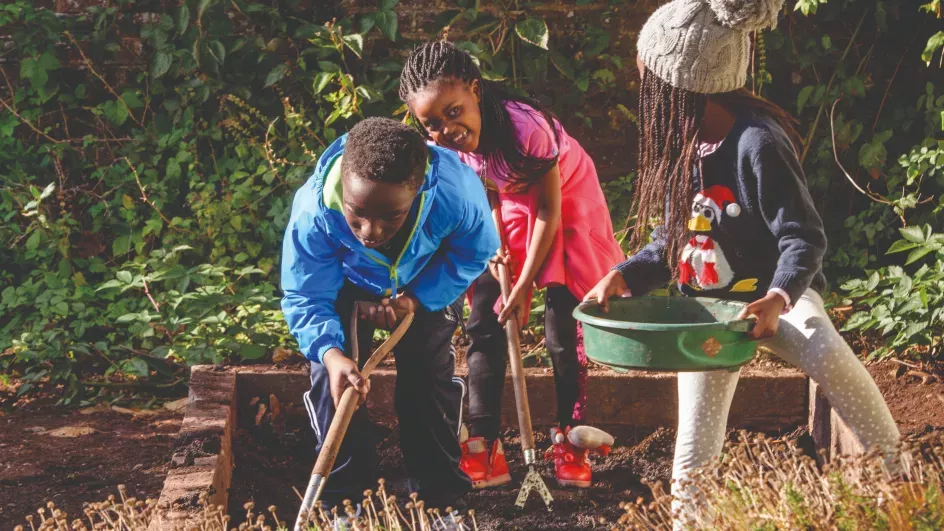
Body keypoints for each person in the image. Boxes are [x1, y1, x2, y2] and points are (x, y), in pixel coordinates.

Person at [583, 0, 901, 525]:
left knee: (826, 352)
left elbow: (803, 238)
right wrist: (626, 273)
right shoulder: (681, 143)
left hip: (774, 297)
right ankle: (691, 522)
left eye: (649, 80)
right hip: (713, 315)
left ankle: (899, 473)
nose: (641, 89)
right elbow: (671, 242)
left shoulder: (758, 144)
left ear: (685, 87)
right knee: (693, 450)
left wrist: (778, 298)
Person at [399, 41, 623, 489]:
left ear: (476, 91)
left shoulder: (527, 128)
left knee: (564, 325)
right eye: (433, 124)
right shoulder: (445, 145)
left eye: (454, 111)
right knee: (487, 315)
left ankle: (567, 437)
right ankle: (485, 442)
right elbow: (490, 188)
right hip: (512, 201)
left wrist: (523, 287)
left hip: (566, 200)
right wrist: (498, 246)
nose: (446, 129)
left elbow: (549, 212)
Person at [280, 117, 499, 508]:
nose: (370, 231)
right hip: (343, 283)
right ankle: (344, 500)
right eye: (357, 213)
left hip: (423, 279)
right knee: (335, 386)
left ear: (416, 191)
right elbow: (306, 293)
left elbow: (474, 252)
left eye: (389, 217)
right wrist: (332, 355)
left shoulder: (455, 193)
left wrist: (415, 299)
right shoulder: (314, 212)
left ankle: (440, 498)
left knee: (428, 384)